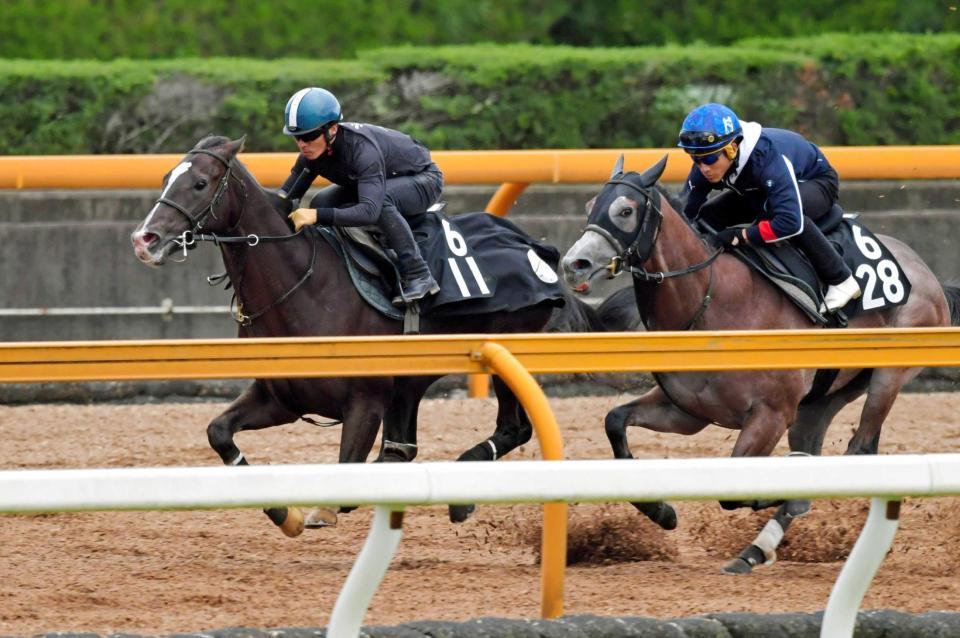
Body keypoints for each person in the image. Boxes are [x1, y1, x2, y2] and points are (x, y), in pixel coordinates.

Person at [677, 103, 861, 313]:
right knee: (707, 216)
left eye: (710, 159)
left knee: (773, 211)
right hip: (760, 188)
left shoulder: (766, 156)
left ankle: (841, 278)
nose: (704, 168)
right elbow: (685, 212)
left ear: (733, 147)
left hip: (815, 181)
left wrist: (741, 235)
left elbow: (790, 222)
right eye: (695, 159)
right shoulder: (709, 158)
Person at [280, 87, 442, 304]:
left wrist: (317, 216)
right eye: (297, 137)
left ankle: (419, 274)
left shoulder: (362, 150)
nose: (302, 144)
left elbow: (369, 211)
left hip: (423, 179)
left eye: (308, 136)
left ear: (333, 129)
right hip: (381, 180)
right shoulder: (312, 153)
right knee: (322, 200)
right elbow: (285, 197)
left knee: (380, 201)